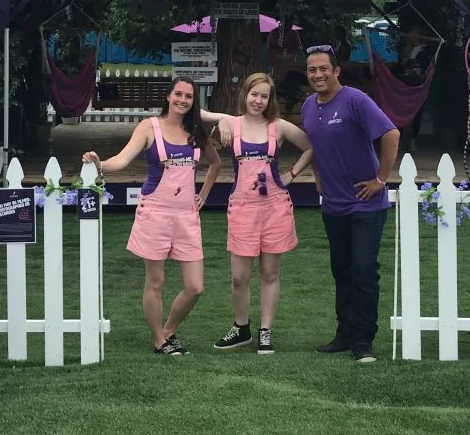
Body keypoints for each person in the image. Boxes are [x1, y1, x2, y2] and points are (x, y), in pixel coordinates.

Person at [82, 78, 221, 356]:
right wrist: (100, 164)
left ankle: (169, 330)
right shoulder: (150, 127)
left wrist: (203, 195)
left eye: (189, 96)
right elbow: (123, 160)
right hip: (154, 212)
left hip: (186, 216)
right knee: (155, 281)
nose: (183, 100)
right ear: (168, 96)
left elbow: (215, 163)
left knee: (195, 287)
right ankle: (159, 341)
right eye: (178, 94)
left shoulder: (196, 131)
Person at [301, 45, 400, 363]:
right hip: (333, 205)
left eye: (323, 69)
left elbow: (391, 133)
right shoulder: (308, 106)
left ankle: (363, 341)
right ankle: (344, 335)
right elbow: (313, 144)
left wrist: (381, 179)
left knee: (363, 270)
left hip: (365, 204)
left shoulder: (355, 99)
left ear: (336, 71)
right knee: (341, 270)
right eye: (312, 70)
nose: (318, 74)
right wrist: (317, 174)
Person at [202, 74, 313, 355]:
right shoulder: (232, 123)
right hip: (242, 208)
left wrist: (291, 174)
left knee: (269, 273)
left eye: (264, 96)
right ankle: (241, 328)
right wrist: (219, 122)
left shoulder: (279, 126)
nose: (258, 101)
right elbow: (196, 113)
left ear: (270, 100)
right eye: (254, 94)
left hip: (275, 207)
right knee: (239, 277)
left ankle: (265, 331)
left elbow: (311, 146)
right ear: (245, 94)